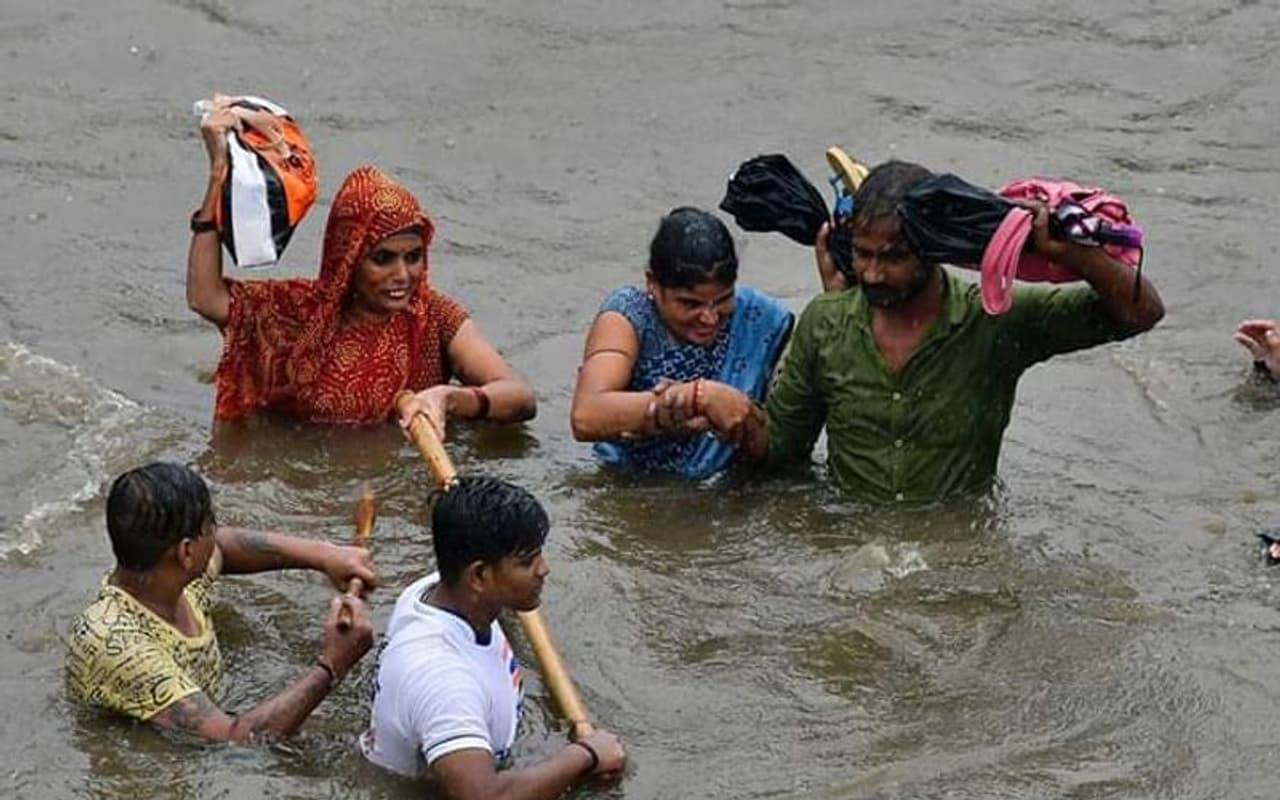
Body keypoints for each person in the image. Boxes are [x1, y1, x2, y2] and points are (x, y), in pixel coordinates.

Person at [742, 159, 1165, 503]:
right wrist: (730, 415)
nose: (871, 273)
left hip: (960, 549)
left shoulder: (995, 319)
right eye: (862, 254)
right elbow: (783, 450)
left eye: (892, 257)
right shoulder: (825, 323)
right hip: (853, 545)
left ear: (934, 249)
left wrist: (1074, 255)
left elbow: (1141, 313)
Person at [187, 102, 536, 431]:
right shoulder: (294, 313)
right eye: (383, 259)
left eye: (413, 257)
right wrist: (218, 174)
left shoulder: (435, 318)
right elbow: (205, 298)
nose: (402, 275)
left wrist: (450, 398)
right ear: (349, 259)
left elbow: (519, 396)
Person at [360, 476, 626, 800]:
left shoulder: (436, 590)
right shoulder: (445, 681)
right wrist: (585, 754)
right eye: (527, 561)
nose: (544, 569)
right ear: (479, 576)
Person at [66, 462, 376, 742]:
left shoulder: (169, 579)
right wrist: (332, 665)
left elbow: (223, 548)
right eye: (210, 526)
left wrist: (325, 556)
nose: (216, 533)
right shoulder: (122, 648)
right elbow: (235, 739)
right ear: (187, 552)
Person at [570, 207, 793, 478]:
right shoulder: (628, 316)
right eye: (690, 304)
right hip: (629, 481)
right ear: (652, 284)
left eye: (723, 299)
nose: (710, 318)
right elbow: (586, 415)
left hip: (727, 485)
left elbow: (785, 438)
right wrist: (695, 399)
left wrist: (743, 416)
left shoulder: (759, 318)